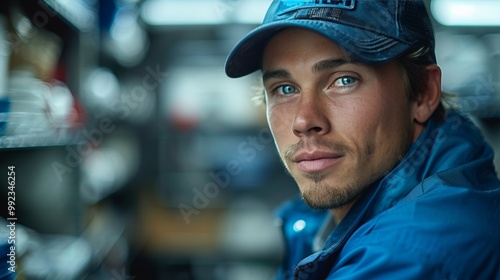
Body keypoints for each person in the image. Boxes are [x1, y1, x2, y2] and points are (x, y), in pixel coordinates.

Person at [225, 0, 500, 279]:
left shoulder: (409, 252)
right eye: (285, 89)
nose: (304, 121)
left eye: (344, 80)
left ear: (423, 93)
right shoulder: (328, 217)